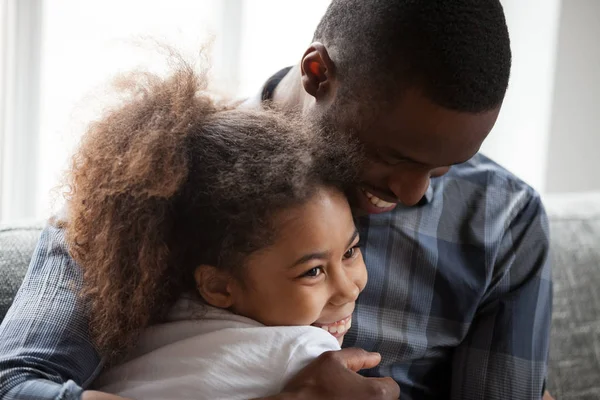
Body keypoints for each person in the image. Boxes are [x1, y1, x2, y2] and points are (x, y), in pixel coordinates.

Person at [0, 1, 552, 399]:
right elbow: (15, 384)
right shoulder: (151, 182)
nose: (415, 193)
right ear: (318, 73)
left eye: (442, 168)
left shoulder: (503, 218)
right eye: (396, 157)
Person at [58, 60, 379, 400]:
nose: (348, 289)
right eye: (312, 271)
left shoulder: (152, 320)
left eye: (349, 252)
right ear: (217, 286)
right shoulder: (305, 354)